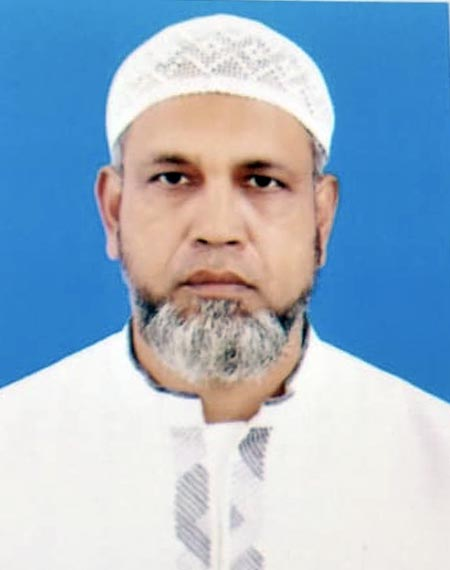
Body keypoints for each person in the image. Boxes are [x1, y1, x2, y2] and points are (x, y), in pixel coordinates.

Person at [1, 13, 449, 570]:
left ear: (321, 218)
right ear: (114, 211)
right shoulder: (11, 455)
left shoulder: (435, 466)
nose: (217, 229)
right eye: (173, 179)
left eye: (262, 182)